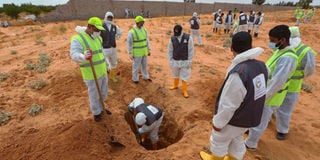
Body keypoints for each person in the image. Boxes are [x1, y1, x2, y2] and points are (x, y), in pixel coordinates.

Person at [199, 32, 268, 160]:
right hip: (249, 118)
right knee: (237, 139)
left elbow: (229, 104)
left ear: (231, 48)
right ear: (251, 45)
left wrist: (218, 123)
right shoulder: (262, 66)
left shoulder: (239, 73)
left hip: (235, 119)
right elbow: (260, 93)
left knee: (218, 141)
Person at [245, 25, 298, 150]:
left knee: (261, 121)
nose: (271, 43)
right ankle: (250, 133)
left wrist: (263, 96)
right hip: (265, 91)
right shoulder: (281, 52)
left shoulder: (288, 58)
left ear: (283, 40)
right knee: (257, 116)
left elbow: (277, 81)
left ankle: (251, 143)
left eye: (273, 41)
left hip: (271, 95)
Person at [275, 26, 317, 140]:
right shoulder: (283, 47)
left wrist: (298, 76)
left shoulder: (306, 51)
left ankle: (282, 130)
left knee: (285, 108)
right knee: (273, 104)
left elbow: (310, 69)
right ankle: (275, 122)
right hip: (280, 83)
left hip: (292, 85)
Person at [70, 17, 112, 122]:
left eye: (99, 30)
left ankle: (102, 108)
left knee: (103, 93)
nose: (98, 32)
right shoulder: (78, 39)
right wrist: (83, 56)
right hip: (91, 74)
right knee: (94, 95)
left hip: (102, 71)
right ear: (89, 27)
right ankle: (96, 113)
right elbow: (73, 54)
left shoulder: (98, 38)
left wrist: (107, 65)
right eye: (96, 30)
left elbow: (101, 53)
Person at [167, 24, 194, 98]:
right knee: (175, 73)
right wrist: (170, 60)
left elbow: (191, 50)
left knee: (184, 75)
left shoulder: (188, 38)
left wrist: (189, 61)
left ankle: (184, 90)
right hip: (175, 60)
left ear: (181, 31)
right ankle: (175, 85)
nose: (177, 35)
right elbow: (170, 50)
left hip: (185, 60)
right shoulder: (172, 39)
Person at [127, 16, 152, 84]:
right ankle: (135, 79)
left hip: (144, 51)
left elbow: (147, 40)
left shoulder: (144, 30)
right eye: (142, 21)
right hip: (137, 53)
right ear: (138, 22)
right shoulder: (132, 32)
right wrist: (130, 53)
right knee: (136, 66)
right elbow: (129, 43)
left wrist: (149, 49)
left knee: (144, 65)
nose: (143, 22)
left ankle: (146, 77)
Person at [101, 11, 122, 83]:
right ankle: (104, 78)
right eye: (108, 18)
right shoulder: (101, 27)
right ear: (105, 18)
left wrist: (115, 38)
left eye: (111, 18)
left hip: (113, 48)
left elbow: (119, 33)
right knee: (105, 64)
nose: (109, 19)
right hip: (104, 48)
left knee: (114, 63)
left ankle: (112, 77)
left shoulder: (115, 27)